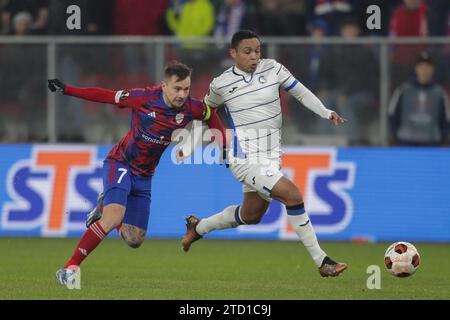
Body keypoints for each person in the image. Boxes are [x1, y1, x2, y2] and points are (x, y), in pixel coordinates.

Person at [178, 30, 348, 277]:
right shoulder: (221, 84)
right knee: (292, 195)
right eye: (247, 52)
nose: (254, 56)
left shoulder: (273, 69)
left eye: (257, 51)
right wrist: (189, 144)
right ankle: (322, 261)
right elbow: (204, 114)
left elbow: (300, 91)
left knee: (251, 215)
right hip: (243, 157)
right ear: (233, 53)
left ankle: (198, 227)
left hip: (271, 155)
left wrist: (325, 111)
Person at [48, 61, 226, 285]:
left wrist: (224, 144)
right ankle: (69, 267)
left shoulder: (191, 108)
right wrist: (67, 89)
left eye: (186, 89)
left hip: (145, 176)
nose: (182, 94)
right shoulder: (143, 97)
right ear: (164, 86)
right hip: (120, 162)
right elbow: (105, 95)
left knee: (135, 239)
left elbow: (211, 114)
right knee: (115, 217)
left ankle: (103, 207)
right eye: (177, 88)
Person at [388, 51, 450, 146]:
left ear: (433, 69)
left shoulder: (440, 93)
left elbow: (446, 118)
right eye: (421, 67)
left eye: (427, 67)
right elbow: (392, 114)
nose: (424, 70)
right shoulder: (403, 90)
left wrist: (441, 139)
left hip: (432, 144)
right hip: (406, 142)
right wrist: (396, 137)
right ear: (416, 69)